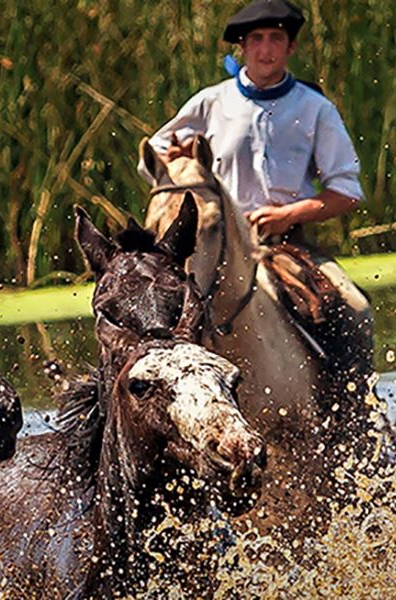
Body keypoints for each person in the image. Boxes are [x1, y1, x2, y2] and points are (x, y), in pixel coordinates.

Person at [138, 0, 372, 382]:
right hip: (215, 248)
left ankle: (354, 410)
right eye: (257, 40)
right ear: (242, 48)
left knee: (355, 307)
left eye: (276, 39)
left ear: (291, 47)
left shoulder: (316, 109)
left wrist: (288, 214)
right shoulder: (210, 102)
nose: (266, 50)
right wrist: (178, 165)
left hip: (285, 248)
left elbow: (346, 190)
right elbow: (154, 158)